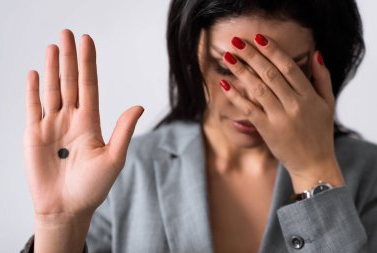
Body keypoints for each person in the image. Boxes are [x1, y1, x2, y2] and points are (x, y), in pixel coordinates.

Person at [21, 0, 377, 252]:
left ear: (322, 65)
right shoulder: (126, 170)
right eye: (227, 68)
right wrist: (59, 225)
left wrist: (315, 172)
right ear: (192, 52)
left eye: (286, 74)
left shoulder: (367, 173)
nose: (248, 101)